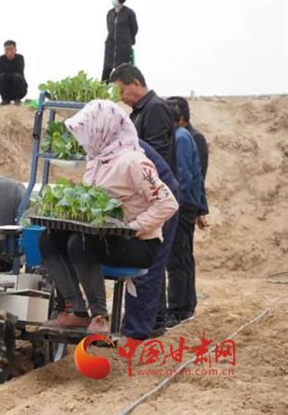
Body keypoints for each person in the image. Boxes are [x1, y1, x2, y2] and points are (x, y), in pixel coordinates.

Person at [39, 100, 178, 333]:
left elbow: (168, 202)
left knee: (80, 243)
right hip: (106, 239)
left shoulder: (133, 161)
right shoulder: (97, 160)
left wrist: (134, 227)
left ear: (102, 130)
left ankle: (99, 316)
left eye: (87, 133)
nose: (83, 140)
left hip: (138, 244)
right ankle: (76, 310)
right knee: (48, 239)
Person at [124, 140, 180, 340]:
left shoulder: (127, 149)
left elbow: (166, 201)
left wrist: (136, 226)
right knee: (152, 269)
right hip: (153, 200)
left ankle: (136, 332)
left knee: (149, 267)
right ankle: (154, 322)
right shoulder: (118, 142)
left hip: (161, 202)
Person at [164, 101, 208, 329]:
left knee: (175, 260)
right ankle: (187, 306)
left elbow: (182, 176)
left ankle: (176, 310)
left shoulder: (179, 138)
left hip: (181, 205)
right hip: (188, 204)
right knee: (184, 257)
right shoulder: (184, 135)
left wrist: (172, 203)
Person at [110, 63, 177, 175]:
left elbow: (157, 155)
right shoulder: (138, 111)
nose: (121, 98)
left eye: (122, 91)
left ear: (136, 83)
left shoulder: (155, 107)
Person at [167, 96, 210, 231]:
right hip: (185, 203)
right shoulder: (180, 135)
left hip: (184, 204)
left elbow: (196, 175)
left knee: (181, 249)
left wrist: (200, 210)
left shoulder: (187, 137)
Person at [102, 0, 137, 83]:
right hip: (110, 45)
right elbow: (109, 28)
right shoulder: (110, 13)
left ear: (121, 0)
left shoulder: (129, 13)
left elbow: (135, 28)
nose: (113, 0)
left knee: (122, 71)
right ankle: (102, 91)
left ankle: (122, 92)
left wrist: (129, 40)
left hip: (123, 47)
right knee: (106, 69)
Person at [0, 40, 28, 105]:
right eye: (7, 50)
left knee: (16, 77)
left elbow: (19, 71)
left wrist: (6, 74)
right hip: (7, 89)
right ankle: (5, 99)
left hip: (20, 89)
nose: (9, 52)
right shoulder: (1, 59)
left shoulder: (20, 58)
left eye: (11, 49)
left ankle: (17, 99)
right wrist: (5, 76)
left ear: (15, 50)